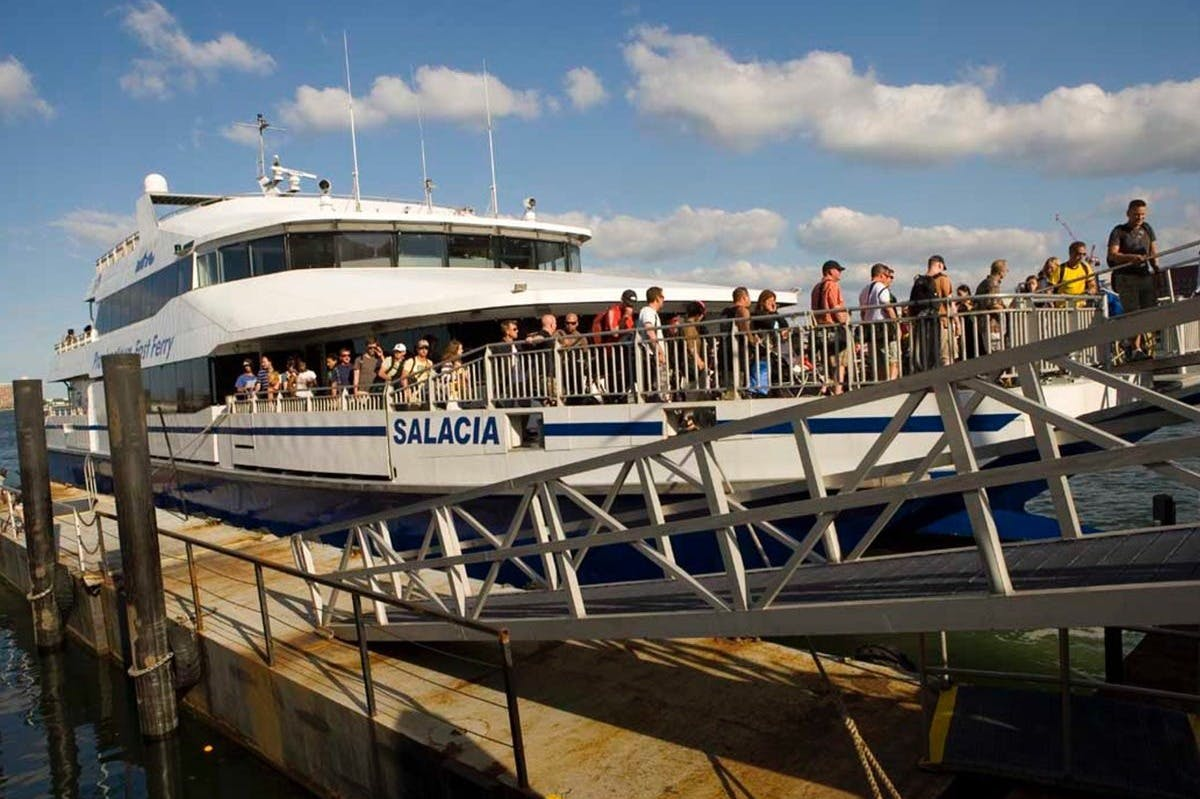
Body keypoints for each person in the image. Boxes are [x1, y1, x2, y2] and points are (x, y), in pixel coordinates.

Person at [1108, 199, 1159, 358]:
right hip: (1126, 276)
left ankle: (1142, 345)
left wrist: (1156, 266)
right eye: (1136, 214)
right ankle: (1134, 348)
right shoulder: (1119, 231)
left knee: (1148, 310)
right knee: (1133, 312)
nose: (1139, 218)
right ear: (1128, 213)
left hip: (1144, 274)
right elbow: (1112, 255)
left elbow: (1152, 250)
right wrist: (1131, 258)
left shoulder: (1147, 228)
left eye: (1142, 215)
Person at [909, 255, 954, 369]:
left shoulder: (918, 281)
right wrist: (956, 321)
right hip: (939, 321)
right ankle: (942, 382)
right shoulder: (943, 279)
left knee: (924, 354)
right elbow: (949, 301)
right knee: (943, 355)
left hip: (921, 322)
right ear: (939, 265)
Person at [811, 260, 849, 393]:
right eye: (838, 270)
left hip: (821, 329)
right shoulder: (832, 285)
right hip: (833, 327)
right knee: (841, 362)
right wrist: (844, 320)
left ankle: (826, 385)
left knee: (827, 360)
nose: (840, 273)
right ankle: (838, 389)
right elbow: (835, 307)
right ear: (830, 271)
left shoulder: (816, 288)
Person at [859, 263, 899, 381]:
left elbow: (862, 312)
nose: (888, 279)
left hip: (870, 329)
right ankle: (892, 384)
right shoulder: (881, 288)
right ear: (881, 275)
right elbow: (887, 306)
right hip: (884, 327)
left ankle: (882, 386)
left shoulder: (864, 291)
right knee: (893, 359)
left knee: (878, 362)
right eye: (887, 276)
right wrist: (896, 324)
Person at [638, 286, 666, 399]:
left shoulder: (651, 312)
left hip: (652, 355)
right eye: (662, 297)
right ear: (657, 298)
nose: (664, 300)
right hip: (650, 355)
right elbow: (649, 330)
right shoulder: (648, 311)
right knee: (654, 385)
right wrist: (659, 351)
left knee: (658, 384)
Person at [401, 339, 435, 403]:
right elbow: (403, 377)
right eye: (421, 348)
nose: (424, 350)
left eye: (426, 348)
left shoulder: (430, 363)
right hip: (414, 393)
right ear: (417, 349)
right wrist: (407, 391)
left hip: (427, 393)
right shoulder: (411, 361)